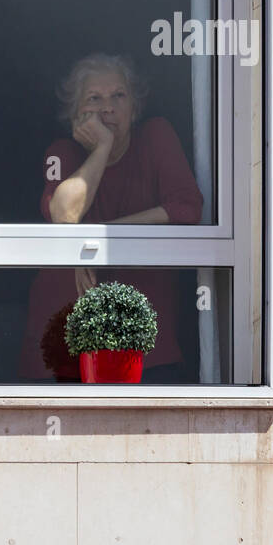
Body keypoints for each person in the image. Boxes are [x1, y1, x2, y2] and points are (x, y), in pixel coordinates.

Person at [17, 53, 203, 382]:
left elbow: (187, 208)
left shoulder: (156, 137)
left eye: (119, 95)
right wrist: (102, 147)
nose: (108, 108)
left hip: (147, 345)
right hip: (64, 340)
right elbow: (64, 215)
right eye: (94, 98)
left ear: (134, 107)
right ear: (76, 113)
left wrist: (101, 236)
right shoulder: (62, 153)